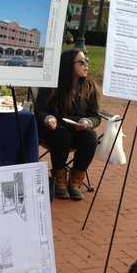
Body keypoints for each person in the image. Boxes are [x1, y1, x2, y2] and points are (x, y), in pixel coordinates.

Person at [35, 48, 101, 201]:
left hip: (77, 128)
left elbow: (95, 115)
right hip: (52, 128)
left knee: (90, 137)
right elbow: (39, 110)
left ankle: (75, 181)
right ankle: (59, 179)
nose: (86, 65)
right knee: (62, 135)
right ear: (68, 64)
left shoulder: (89, 86)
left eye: (87, 62)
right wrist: (48, 118)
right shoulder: (52, 84)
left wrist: (88, 122)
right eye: (81, 62)